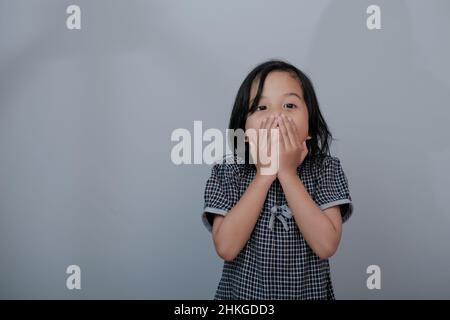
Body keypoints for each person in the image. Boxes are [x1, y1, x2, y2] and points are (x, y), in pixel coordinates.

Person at [201, 59, 353, 299]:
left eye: (289, 105)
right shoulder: (227, 171)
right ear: (244, 131)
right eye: (262, 108)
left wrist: (288, 173)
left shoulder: (326, 169)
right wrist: (265, 173)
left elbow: (326, 246)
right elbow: (227, 248)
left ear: (310, 126)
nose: (277, 117)